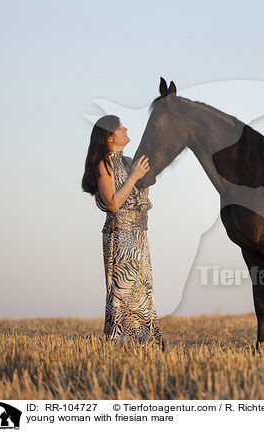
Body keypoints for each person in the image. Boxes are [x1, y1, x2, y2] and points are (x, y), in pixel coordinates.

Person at [81, 115, 166, 351]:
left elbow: (141, 200)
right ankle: (122, 345)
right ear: (109, 138)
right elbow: (113, 204)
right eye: (120, 127)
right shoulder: (103, 164)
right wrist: (134, 177)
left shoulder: (130, 162)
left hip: (139, 234)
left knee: (143, 289)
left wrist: (145, 179)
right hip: (120, 235)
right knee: (123, 291)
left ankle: (146, 344)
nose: (125, 128)